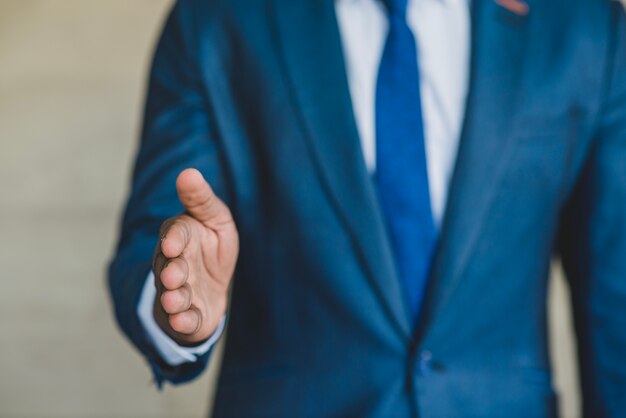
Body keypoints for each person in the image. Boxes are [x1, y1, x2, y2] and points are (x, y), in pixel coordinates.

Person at [108, 0, 626, 415]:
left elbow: (616, 301)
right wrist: (179, 300)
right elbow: (150, 243)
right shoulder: (216, 19)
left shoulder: (583, 24)